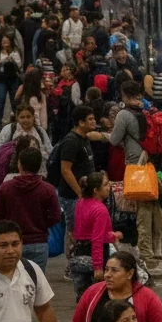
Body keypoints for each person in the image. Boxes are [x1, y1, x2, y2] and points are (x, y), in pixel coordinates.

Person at [110, 81, 162, 279]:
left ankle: (147, 254)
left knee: (143, 212)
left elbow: (114, 140)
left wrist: (103, 134)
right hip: (151, 163)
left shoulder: (124, 114)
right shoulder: (148, 110)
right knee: (155, 207)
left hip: (136, 166)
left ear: (124, 94)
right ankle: (156, 248)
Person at [0, 149, 61, 272]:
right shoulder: (48, 189)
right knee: (36, 283)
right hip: (39, 242)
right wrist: (42, 224)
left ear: (20, 164)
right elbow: (56, 216)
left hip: (11, 243)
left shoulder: (6, 188)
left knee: (11, 281)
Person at [71, 172, 123, 299]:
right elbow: (97, 239)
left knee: (82, 297)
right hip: (95, 255)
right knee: (98, 297)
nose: (108, 187)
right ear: (96, 190)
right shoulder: (100, 210)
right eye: (105, 184)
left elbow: (84, 231)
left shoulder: (80, 203)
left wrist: (113, 236)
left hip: (79, 253)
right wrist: (98, 267)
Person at [58, 105, 102, 249]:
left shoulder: (84, 138)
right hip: (72, 198)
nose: (94, 122)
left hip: (84, 196)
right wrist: (79, 193)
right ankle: (73, 265)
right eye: (90, 119)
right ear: (81, 122)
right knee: (74, 233)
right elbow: (65, 170)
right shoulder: (71, 141)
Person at [0, 35, 22, 129]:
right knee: (0, 101)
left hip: (13, 79)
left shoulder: (15, 52)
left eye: (7, 41)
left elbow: (19, 65)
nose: (5, 43)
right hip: (1, 80)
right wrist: (2, 61)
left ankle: (18, 122)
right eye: (3, 41)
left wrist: (11, 59)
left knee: (15, 100)